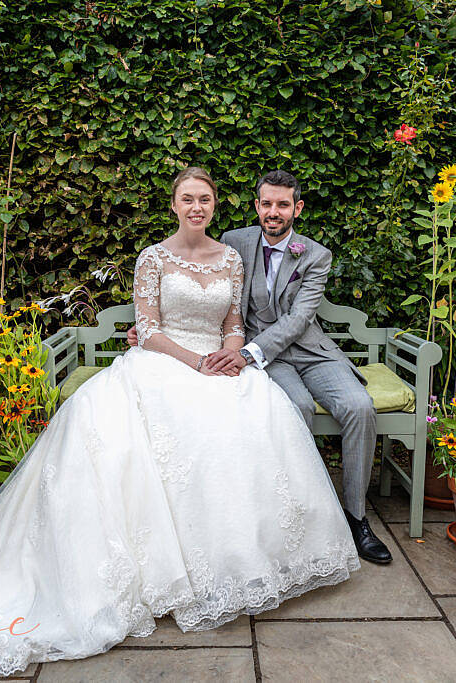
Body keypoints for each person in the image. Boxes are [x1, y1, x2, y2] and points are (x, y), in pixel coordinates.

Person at [0, 167, 359, 676]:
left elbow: (234, 322)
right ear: (174, 205)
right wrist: (195, 362)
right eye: (188, 199)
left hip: (221, 362)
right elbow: (149, 328)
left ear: (216, 205)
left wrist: (230, 355)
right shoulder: (152, 257)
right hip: (165, 362)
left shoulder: (230, 256)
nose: (197, 208)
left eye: (205, 199)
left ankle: (238, 565)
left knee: (253, 420)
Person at [129, 170, 392, 565]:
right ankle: (301, 515)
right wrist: (148, 330)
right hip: (266, 359)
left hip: (309, 352)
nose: (273, 212)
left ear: (296, 208)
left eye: (283, 205)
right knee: (295, 408)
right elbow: (202, 300)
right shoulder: (234, 243)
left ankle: (356, 518)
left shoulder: (315, 254)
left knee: (359, 407)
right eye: (266, 203)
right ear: (256, 206)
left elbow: (300, 318)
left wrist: (246, 352)